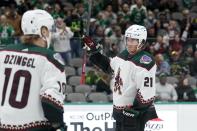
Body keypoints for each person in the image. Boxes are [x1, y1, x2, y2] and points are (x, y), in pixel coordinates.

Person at [0, 10, 67, 131]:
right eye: (50, 29)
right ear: (43, 31)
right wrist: (59, 126)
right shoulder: (50, 58)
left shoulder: (3, 53)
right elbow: (50, 102)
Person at [82, 24, 158, 131]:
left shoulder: (145, 61)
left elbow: (147, 92)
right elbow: (110, 66)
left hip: (134, 115)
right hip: (119, 113)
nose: (129, 43)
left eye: (133, 40)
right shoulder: (124, 54)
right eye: (128, 39)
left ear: (142, 42)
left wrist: (133, 112)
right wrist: (94, 52)